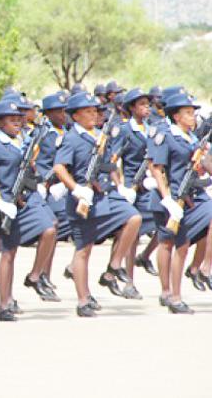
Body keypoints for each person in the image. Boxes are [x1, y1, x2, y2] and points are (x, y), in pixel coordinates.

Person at [53, 92, 141, 317]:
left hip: (105, 195)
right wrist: (76, 189)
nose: (94, 114)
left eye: (96, 111)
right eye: (89, 111)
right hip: (84, 198)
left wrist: (120, 186)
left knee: (134, 218)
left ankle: (113, 267)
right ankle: (83, 301)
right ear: (76, 115)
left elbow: (110, 166)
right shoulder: (71, 138)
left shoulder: (99, 136)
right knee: (83, 250)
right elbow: (60, 168)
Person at [0, 101, 57, 321]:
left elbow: (29, 168)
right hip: (8, 203)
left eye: (19, 119)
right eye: (12, 119)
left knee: (50, 230)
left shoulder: (23, 141)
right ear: (0, 123)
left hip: (28, 199)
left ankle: (34, 276)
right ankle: (4, 304)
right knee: (8, 253)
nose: (18, 122)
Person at [148, 93, 212, 313]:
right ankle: (169, 294)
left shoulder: (192, 137)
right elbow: (157, 168)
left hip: (191, 197)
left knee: (182, 245)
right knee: (169, 244)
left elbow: (203, 164)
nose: (192, 116)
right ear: (175, 116)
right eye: (187, 112)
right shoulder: (165, 136)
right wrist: (167, 199)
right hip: (170, 198)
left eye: (193, 112)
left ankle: (203, 268)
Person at [113, 88, 159, 299]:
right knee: (132, 237)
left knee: (166, 225)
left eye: (148, 104)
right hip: (132, 188)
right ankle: (129, 282)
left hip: (148, 187)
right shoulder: (124, 130)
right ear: (131, 108)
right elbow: (112, 161)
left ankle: (145, 256)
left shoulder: (153, 129)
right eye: (141, 104)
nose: (146, 108)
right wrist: (120, 186)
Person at [35, 93, 72, 290]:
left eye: (65, 110)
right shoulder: (42, 134)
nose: (63, 114)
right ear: (47, 114)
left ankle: (45, 274)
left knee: (58, 230)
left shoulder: (67, 132)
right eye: (58, 111)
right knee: (52, 226)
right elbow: (32, 160)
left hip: (62, 186)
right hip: (46, 187)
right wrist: (41, 182)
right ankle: (40, 273)